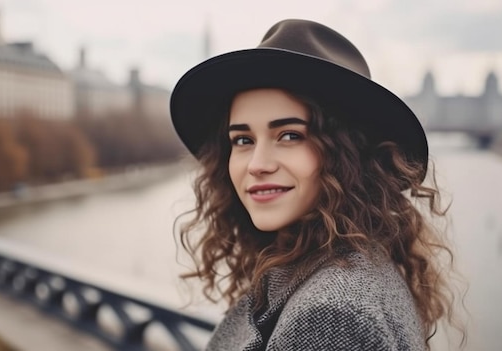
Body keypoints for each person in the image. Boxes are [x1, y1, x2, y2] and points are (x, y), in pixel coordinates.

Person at [170, 19, 462, 350]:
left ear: (349, 154)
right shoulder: (355, 268)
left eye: (290, 135)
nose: (257, 164)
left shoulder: (332, 314)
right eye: (242, 140)